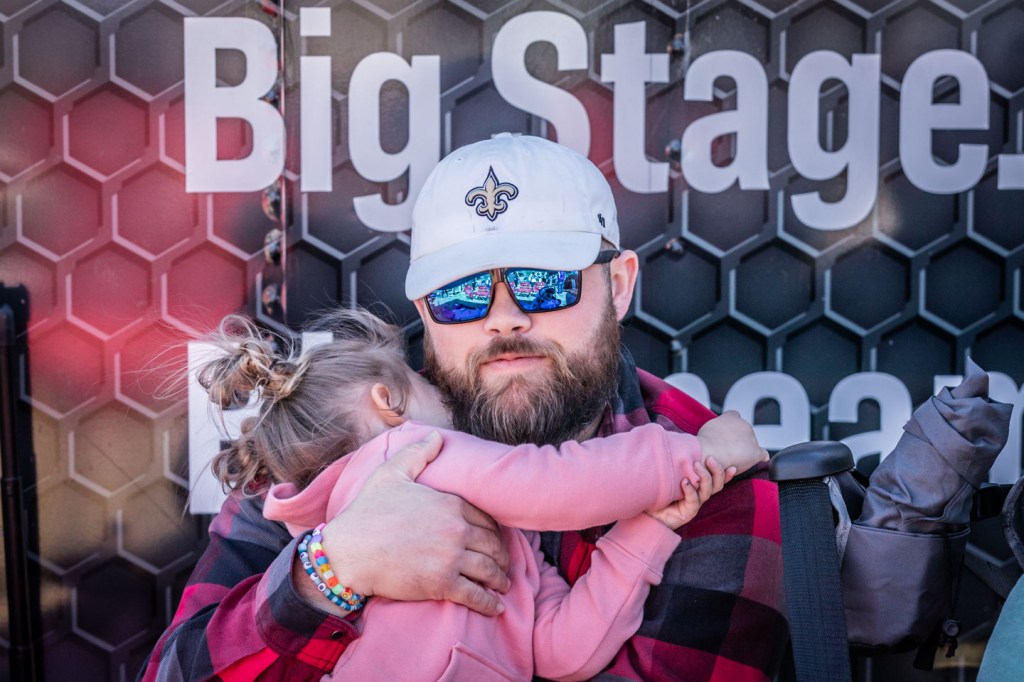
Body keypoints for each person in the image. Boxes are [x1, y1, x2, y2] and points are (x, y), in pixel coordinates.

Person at [139, 133, 787, 681]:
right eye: (463, 294)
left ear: (617, 286)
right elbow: (175, 672)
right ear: (425, 311)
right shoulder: (330, 439)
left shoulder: (712, 481)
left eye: (543, 282)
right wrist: (332, 569)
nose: (503, 318)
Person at [193, 308, 767, 680]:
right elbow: (555, 484)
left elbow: (561, 651)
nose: (504, 320)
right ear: (389, 403)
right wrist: (696, 453)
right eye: (423, 384)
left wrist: (648, 527)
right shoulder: (414, 451)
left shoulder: (486, 526)